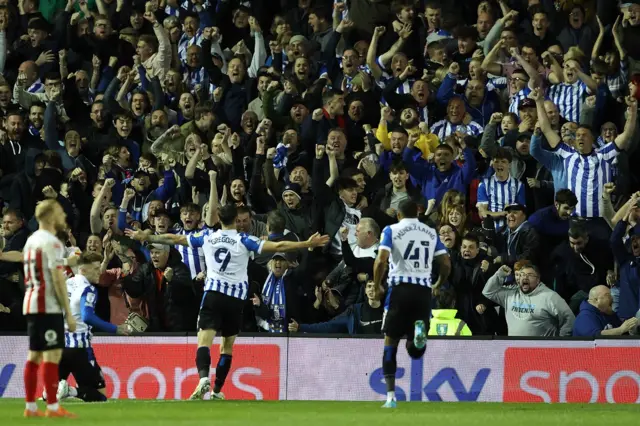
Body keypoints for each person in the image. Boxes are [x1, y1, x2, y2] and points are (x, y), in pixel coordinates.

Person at [125, 204, 329, 400]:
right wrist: (306, 244)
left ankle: (204, 377)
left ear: (219, 219)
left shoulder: (207, 236)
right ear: (235, 221)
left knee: (204, 340)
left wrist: (147, 235)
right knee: (227, 346)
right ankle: (217, 389)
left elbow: (175, 238)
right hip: (236, 299)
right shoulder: (244, 239)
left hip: (213, 294)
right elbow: (278, 245)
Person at [373, 199, 451, 408]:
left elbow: (381, 260)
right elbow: (445, 262)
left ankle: (390, 397)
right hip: (423, 292)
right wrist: (438, 283)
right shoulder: (430, 232)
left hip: (399, 291)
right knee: (415, 351)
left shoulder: (391, 230)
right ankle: (418, 336)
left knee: (390, 343)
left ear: (398, 214)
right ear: (417, 213)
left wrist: (377, 284)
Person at [21, 200, 77, 418]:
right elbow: (56, 278)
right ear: (50, 216)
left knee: (34, 355)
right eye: (60, 212)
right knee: (51, 356)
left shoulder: (31, 241)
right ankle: (53, 407)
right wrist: (69, 313)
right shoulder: (53, 242)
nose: (63, 216)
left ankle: (30, 406)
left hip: (31, 302)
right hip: (48, 304)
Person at [54, 252, 129, 403]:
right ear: (83, 269)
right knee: (100, 396)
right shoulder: (88, 289)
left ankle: (50, 393)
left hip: (59, 345)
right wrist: (116, 329)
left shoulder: (65, 283)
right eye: (95, 268)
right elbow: (87, 316)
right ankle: (71, 390)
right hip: (79, 348)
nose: (99, 272)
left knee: (53, 393)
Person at [483, 264, 575, 337]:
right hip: (516, 351)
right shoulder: (510, 294)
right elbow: (488, 292)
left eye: (530, 275)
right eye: (522, 274)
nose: (525, 277)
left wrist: (561, 342)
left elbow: (569, 318)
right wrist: (499, 275)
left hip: (541, 353)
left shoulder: (550, 296)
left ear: (538, 280)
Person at [573, 285, 638, 337]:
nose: (612, 298)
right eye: (607, 295)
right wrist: (620, 330)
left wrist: (630, 328)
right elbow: (596, 336)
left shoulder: (607, 312)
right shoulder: (585, 317)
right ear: (596, 300)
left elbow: (623, 331)